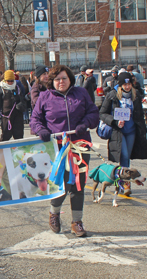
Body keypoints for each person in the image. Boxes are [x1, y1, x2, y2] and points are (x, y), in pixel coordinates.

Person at [30, 65, 99, 237]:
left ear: (70, 79)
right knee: (61, 183)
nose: (61, 82)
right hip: (57, 147)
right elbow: (35, 119)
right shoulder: (45, 97)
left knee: (78, 183)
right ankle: (54, 213)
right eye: (57, 79)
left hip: (79, 145)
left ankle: (77, 221)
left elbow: (93, 113)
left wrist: (85, 124)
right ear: (52, 82)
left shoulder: (81, 93)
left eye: (64, 78)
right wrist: (41, 130)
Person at [100, 72, 147, 196]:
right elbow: (102, 113)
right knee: (123, 155)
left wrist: (142, 126)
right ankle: (125, 184)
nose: (127, 86)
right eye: (125, 84)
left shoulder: (136, 96)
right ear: (120, 85)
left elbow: (139, 114)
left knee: (127, 156)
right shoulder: (112, 96)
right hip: (118, 132)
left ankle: (122, 180)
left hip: (132, 131)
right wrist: (114, 121)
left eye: (129, 84)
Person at [0, 70, 27, 141]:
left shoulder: (17, 87)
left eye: (12, 80)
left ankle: (19, 150)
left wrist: (22, 104)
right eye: (8, 81)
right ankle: (2, 150)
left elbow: (23, 99)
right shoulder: (1, 89)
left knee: (19, 136)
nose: (10, 82)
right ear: (5, 80)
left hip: (18, 115)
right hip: (6, 116)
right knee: (5, 136)